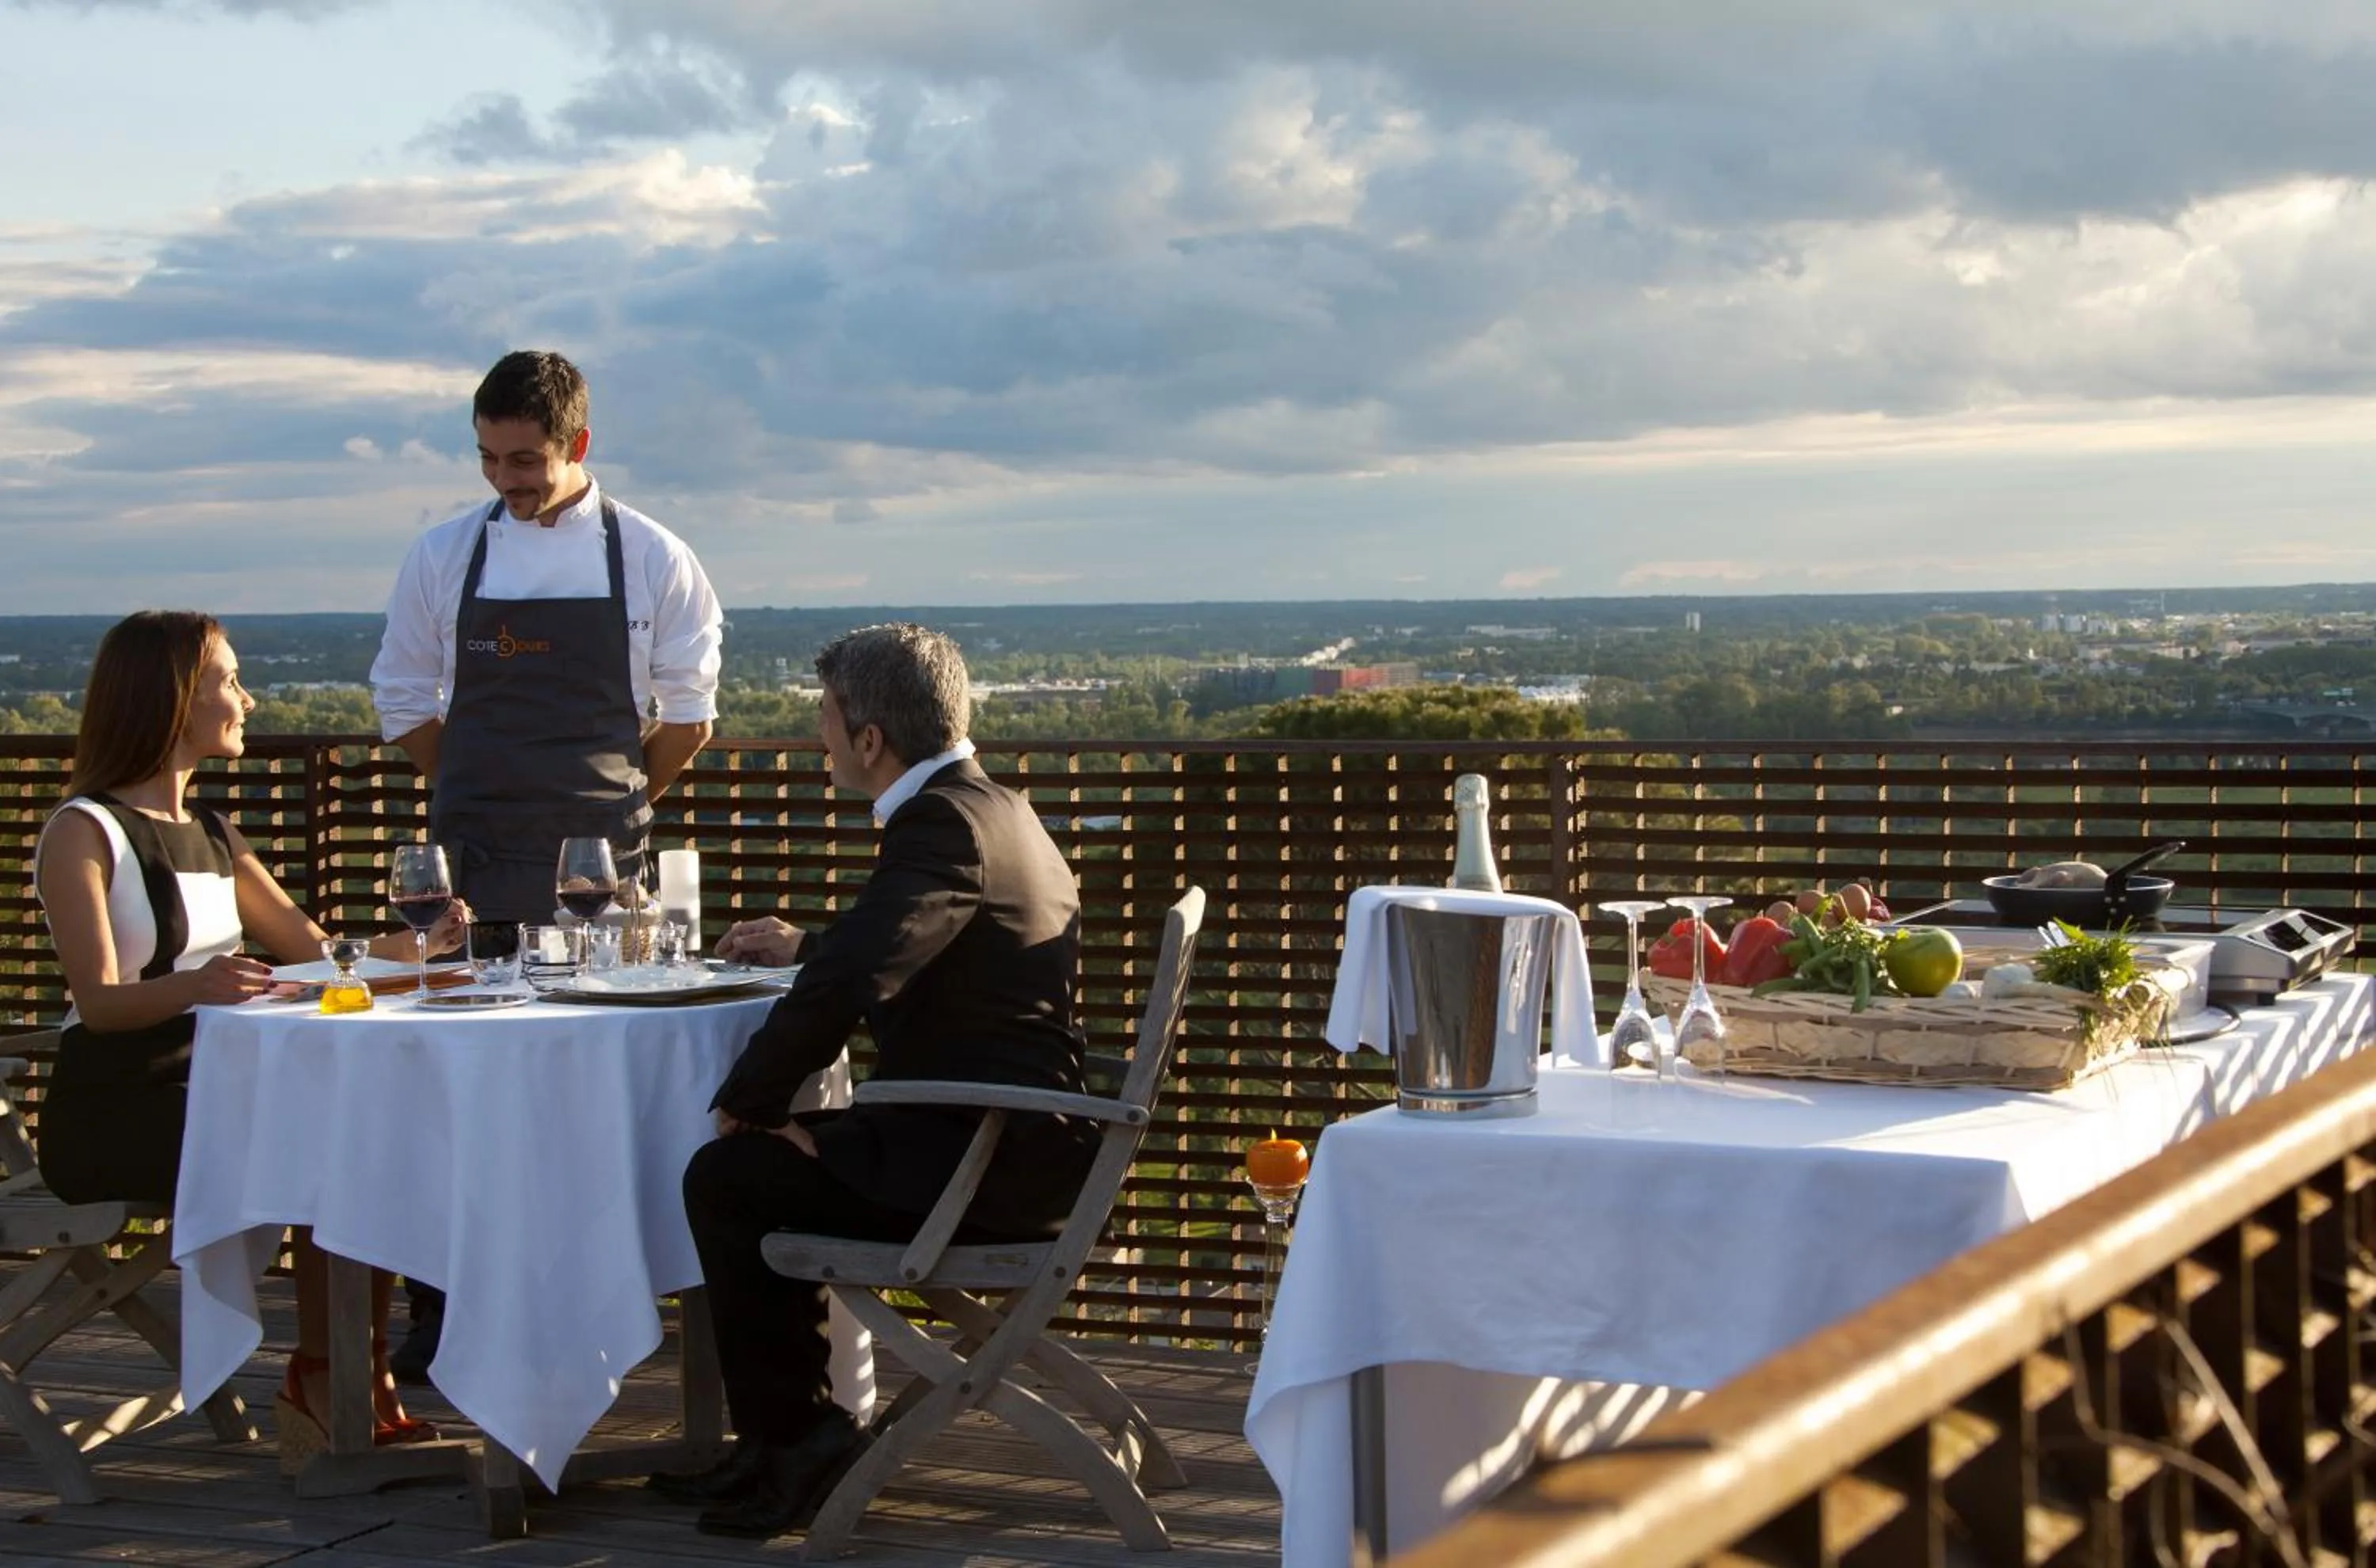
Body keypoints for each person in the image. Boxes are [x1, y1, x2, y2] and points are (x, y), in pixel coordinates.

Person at [662, 623, 1098, 1539]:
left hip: (981, 1164)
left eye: (826, 718)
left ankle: (802, 1442)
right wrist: (811, 946)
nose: (819, 736)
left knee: (729, 1178)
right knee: (765, 1172)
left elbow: (859, 980)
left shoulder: (938, 825)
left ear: (870, 739)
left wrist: (751, 1101)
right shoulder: (996, 807)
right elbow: (899, 951)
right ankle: (780, 1438)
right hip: (1007, 1139)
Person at [35, 611, 470, 1475]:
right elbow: (102, 1003)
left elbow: (317, 954)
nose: (246, 698)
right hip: (116, 1110)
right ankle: (326, 1374)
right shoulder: (82, 832)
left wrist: (421, 951)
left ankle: (349, 1373)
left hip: (216, 1095)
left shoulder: (216, 835)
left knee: (369, 1140)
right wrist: (197, 986)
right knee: (333, 1149)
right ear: (170, 700)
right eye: (228, 682)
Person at [369, 348, 723, 1380]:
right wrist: (479, 801)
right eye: (488, 459)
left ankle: (601, 1318)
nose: (506, 480)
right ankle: (440, 1321)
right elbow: (403, 701)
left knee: (588, 1105)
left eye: (524, 459)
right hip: (468, 876)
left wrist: (604, 817)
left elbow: (687, 720)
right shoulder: (443, 555)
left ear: (578, 444)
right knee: (454, 1106)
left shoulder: (656, 558)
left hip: (599, 891)